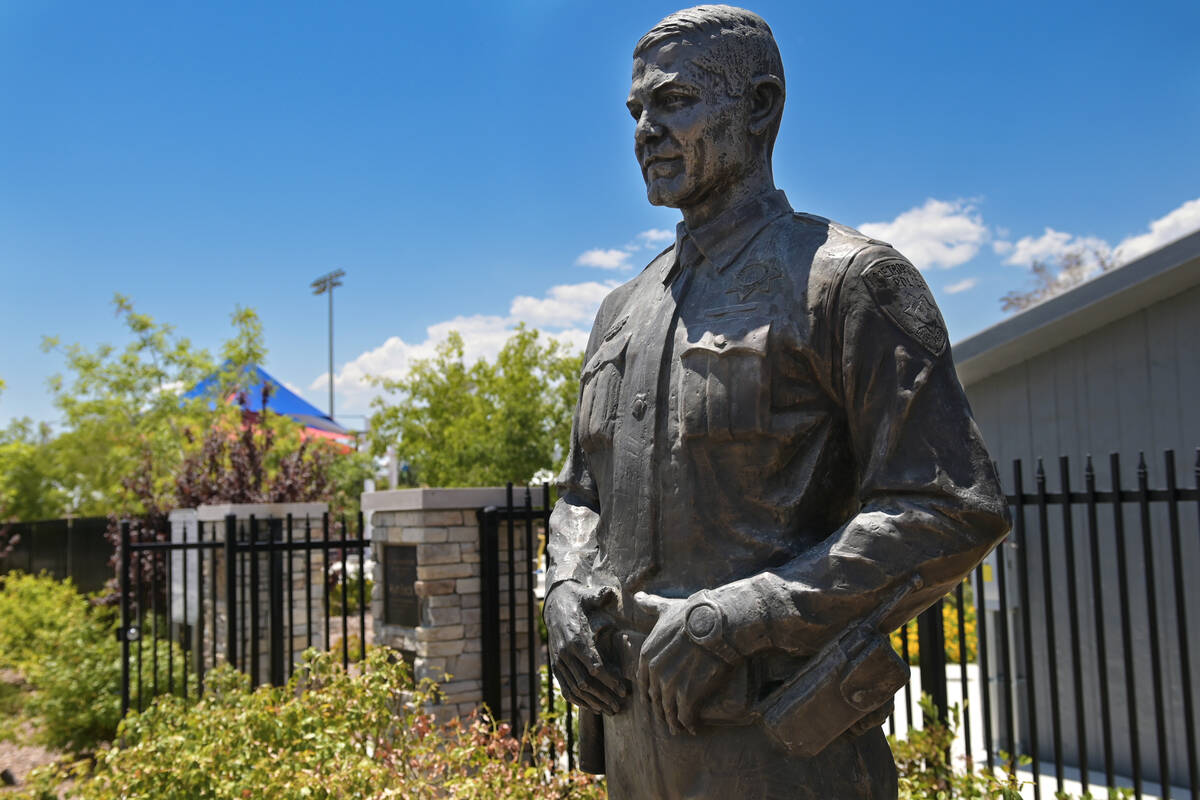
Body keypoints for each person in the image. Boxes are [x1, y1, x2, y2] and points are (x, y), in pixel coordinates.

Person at [544, 6, 1010, 798]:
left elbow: (950, 508)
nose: (646, 130)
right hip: (632, 746)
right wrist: (563, 584)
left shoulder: (849, 281)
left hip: (781, 750)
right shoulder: (623, 308)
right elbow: (580, 492)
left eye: (676, 101)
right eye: (637, 111)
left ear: (760, 107)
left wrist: (745, 614)